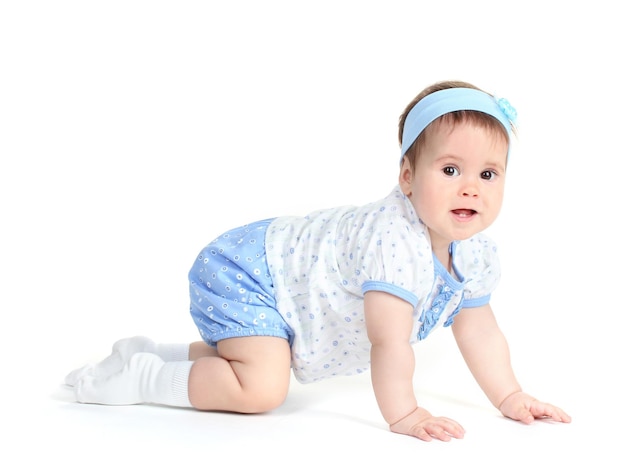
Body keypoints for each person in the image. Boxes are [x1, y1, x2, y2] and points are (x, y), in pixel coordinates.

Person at [64, 80, 571, 441]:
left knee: (259, 360)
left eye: (488, 175)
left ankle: (156, 352)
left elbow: (479, 330)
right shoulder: (394, 244)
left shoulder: (476, 253)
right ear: (408, 177)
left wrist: (510, 397)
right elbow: (387, 340)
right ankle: (139, 379)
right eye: (451, 168)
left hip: (279, 283)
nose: (470, 186)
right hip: (248, 272)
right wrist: (405, 414)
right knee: (262, 388)